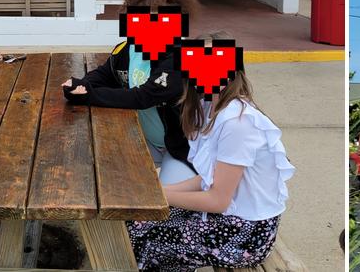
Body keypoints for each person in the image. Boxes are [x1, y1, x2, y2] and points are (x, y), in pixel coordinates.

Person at [124, 32, 294, 271]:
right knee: (136, 222)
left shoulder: (237, 122)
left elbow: (218, 200)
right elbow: (208, 178)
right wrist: (157, 193)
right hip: (230, 218)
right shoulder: (211, 107)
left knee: (145, 237)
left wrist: (157, 198)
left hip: (247, 233)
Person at [62, 0, 200, 184]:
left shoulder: (180, 59)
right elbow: (105, 74)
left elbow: (142, 97)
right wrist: (80, 85)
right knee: (97, 170)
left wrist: (89, 95)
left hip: (182, 147)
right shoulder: (129, 49)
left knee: (168, 197)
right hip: (144, 138)